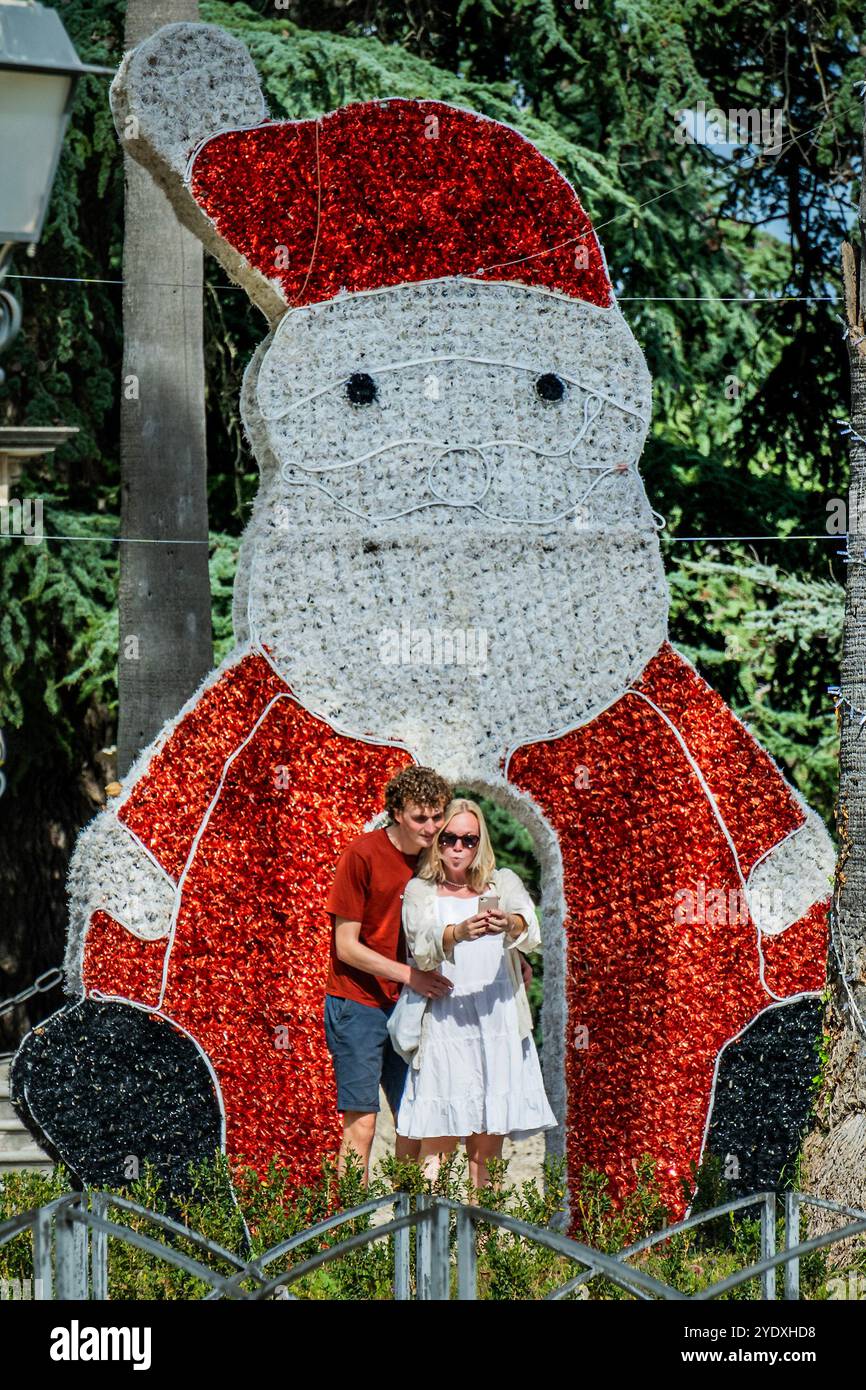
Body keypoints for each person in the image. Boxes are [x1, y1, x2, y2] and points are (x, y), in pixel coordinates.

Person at [394, 797, 557, 1189]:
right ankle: (429, 1245)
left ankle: (484, 1249)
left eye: (469, 839)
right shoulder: (421, 890)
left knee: (487, 1156)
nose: (458, 848)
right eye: (449, 838)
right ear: (437, 841)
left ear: (480, 841)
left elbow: (532, 931)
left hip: (495, 1022)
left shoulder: (503, 881)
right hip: (444, 1025)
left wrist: (510, 922)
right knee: (436, 1148)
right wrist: (459, 932)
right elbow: (420, 947)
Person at [323, 765, 454, 1183]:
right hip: (358, 1004)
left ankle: (404, 1237)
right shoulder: (362, 854)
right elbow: (346, 946)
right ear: (397, 812)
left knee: (416, 1124)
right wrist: (409, 976)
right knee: (361, 1126)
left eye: (438, 817)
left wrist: (514, 958)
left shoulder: (440, 862)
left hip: (412, 1009)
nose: (431, 827)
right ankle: (348, 1241)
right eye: (421, 817)